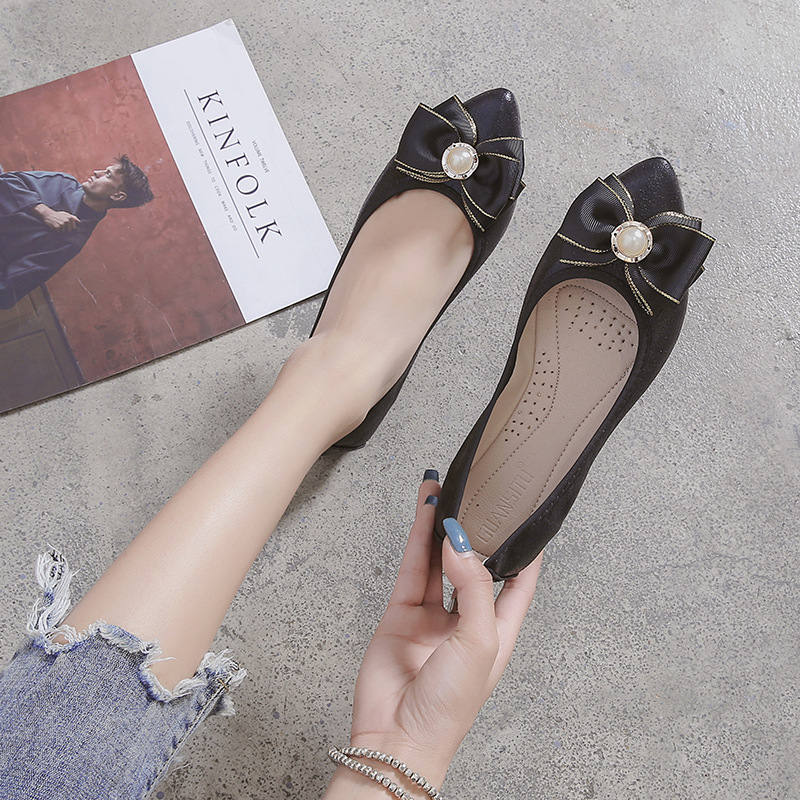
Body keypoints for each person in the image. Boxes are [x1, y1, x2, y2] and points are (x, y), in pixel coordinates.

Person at [0, 92, 534, 798]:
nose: (98, 174)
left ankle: (327, 378)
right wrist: (404, 756)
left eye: (111, 177)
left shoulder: (75, 221)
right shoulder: (64, 209)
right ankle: (332, 382)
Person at [0, 155, 153, 309]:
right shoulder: (63, 182)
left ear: (117, 195)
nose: (96, 172)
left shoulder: (71, 241)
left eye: (107, 175)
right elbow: (4, 182)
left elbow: (7, 290)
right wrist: (44, 212)